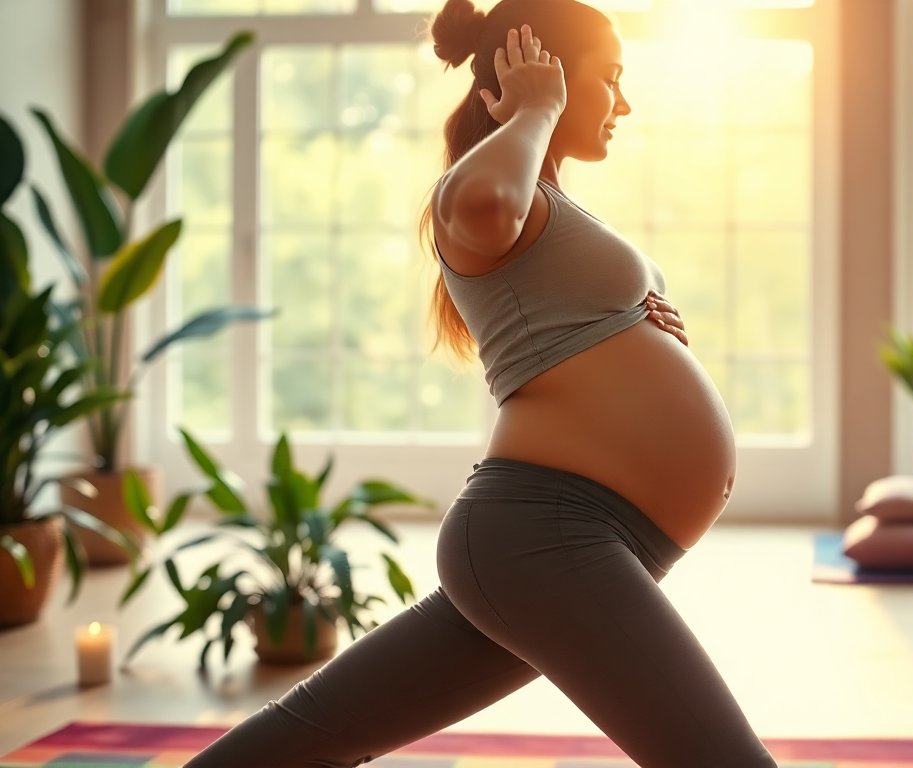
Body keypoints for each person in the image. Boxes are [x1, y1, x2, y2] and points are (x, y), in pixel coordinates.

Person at [185, 0, 776, 766]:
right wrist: (534, 109)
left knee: (313, 736)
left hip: (565, 544)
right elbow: (485, 206)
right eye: (610, 78)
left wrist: (637, 324)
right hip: (550, 535)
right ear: (547, 74)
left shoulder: (546, 200)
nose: (623, 103)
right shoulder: (481, 188)